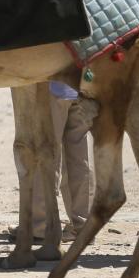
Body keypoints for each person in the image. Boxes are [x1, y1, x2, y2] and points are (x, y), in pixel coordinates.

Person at [11, 82, 93, 242]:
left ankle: (40, 226)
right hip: (84, 83)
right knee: (79, 154)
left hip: (52, 86)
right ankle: (82, 226)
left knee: (43, 151)